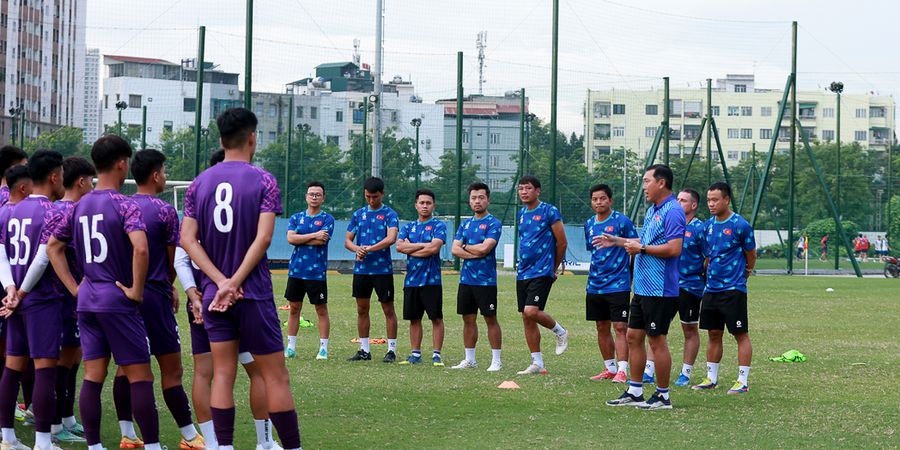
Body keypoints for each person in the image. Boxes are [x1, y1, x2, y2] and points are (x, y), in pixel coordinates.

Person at [180, 107, 301, 450]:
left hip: (213, 295)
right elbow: (263, 239)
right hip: (253, 293)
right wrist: (234, 282)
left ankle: (224, 446)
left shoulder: (199, 183)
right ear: (252, 137)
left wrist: (219, 282)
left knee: (222, 374)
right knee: (275, 376)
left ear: (221, 139)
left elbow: (187, 239)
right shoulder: (263, 180)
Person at [47, 135, 164, 450]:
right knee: (140, 376)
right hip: (117, 299)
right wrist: (136, 291)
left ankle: (95, 446)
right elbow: (141, 249)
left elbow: (53, 248)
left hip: (87, 301)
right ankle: (152, 445)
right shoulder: (124, 204)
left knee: (93, 376)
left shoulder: (78, 205)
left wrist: (75, 287)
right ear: (122, 163)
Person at [110, 149, 202, 449]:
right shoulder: (163, 211)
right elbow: (171, 259)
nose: (164, 175)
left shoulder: (120, 206)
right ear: (155, 175)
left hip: (123, 297)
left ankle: (127, 434)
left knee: (127, 368)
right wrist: (167, 285)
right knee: (171, 371)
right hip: (154, 298)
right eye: (163, 170)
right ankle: (189, 436)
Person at [0, 150, 66, 450]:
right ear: (54, 176)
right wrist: (23, 291)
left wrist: (10, 289)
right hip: (41, 300)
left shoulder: (13, 209)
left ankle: (8, 438)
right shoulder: (54, 212)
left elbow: (1, 254)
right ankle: (42, 441)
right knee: (44, 370)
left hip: (15, 300)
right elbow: (43, 257)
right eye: (62, 173)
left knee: (12, 367)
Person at [604, 164, 684, 410]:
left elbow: (674, 248)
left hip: (660, 288)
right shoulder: (653, 210)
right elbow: (646, 242)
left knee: (656, 340)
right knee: (632, 336)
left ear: (661, 183)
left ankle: (663, 396)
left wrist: (642, 249)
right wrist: (620, 241)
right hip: (642, 287)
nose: (644, 186)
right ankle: (635, 390)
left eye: (647, 181)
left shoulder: (672, 210)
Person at [692, 182, 756, 394]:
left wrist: (744, 275)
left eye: (715, 199)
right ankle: (711, 377)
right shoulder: (707, 226)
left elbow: (751, 255)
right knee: (713, 333)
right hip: (711, 290)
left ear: (726, 200)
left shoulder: (740, 225)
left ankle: (743, 381)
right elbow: (708, 256)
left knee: (740, 334)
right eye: (709, 200)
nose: (711, 204)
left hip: (733, 289)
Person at [48, 156, 95, 443]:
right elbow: (55, 252)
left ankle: (67, 417)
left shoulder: (65, 209)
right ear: (81, 181)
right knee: (62, 362)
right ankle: (55, 426)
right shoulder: (69, 212)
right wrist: (75, 288)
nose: (92, 186)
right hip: (66, 297)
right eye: (91, 181)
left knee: (74, 357)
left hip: (72, 298)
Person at [514, 175, 569, 375]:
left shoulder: (549, 210)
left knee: (531, 311)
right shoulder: (521, 213)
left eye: (528, 188)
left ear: (537, 191)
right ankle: (537, 363)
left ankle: (560, 331)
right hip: (523, 272)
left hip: (542, 270)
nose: (524, 192)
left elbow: (562, 242)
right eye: (521, 189)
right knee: (526, 317)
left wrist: (553, 268)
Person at [583, 184, 636, 384]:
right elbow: (593, 250)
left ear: (610, 200)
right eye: (595, 199)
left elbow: (634, 246)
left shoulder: (622, 221)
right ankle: (610, 368)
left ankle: (623, 370)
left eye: (602, 198)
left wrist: (630, 275)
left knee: (620, 327)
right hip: (595, 284)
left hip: (618, 283)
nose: (598, 202)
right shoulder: (589, 224)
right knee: (601, 326)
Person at [344, 177, 400, 363]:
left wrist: (368, 248)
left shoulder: (390, 214)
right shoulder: (358, 214)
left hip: (382, 270)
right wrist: (357, 249)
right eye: (368, 196)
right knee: (362, 309)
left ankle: (391, 350)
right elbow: (348, 241)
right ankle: (364, 350)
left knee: (388, 309)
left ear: (382, 194)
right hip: (361, 271)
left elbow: (391, 238)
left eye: (375, 197)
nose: (371, 200)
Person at [450, 182, 503, 372]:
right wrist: (472, 250)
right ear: (469, 201)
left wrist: (465, 247)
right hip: (466, 280)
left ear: (488, 199)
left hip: (486, 281)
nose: (477, 201)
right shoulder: (465, 224)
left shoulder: (493, 223)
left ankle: (496, 360)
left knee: (490, 318)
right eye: (474, 198)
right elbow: (454, 250)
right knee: (468, 319)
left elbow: (485, 248)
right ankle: (469, 359)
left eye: (481, 197)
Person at [284, 181, 334, 360]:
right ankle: (290, 347)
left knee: (321, 309)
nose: (314, 197)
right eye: (311, 194)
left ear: (323, 198)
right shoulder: (296, 218)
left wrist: (301, 238)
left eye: (318, 194)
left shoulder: (328, 219)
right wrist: (314, 234)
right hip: (296, 270)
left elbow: (322, 241)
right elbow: (290, 238)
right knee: (294, 308)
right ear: (306, 196)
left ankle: (323, 349)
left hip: (316, 272)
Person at [396, 189, 447, 367]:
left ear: (434, 205)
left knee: (436, 318)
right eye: (422, 203)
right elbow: (400, 247)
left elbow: (434, 249)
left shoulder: (439, 226)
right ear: (416, 205)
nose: (425, 206)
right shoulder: (408, 227)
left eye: (428, 203)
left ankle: (436, 355)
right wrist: (423, 245)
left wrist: (413, 246)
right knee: (414, 318)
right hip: (411, 280)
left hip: (431, 281)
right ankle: (415, 354)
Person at [674, 188, 705, 387]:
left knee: (689, 329)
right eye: (677, 199)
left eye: (683, 200)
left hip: (690, 287)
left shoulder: (700, 229)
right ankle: (649, 369)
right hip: (667, 285)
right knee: (656, 329)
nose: (678, 203)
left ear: (693, 205)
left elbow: (708, 257)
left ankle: (685, 372)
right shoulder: (670, 224)